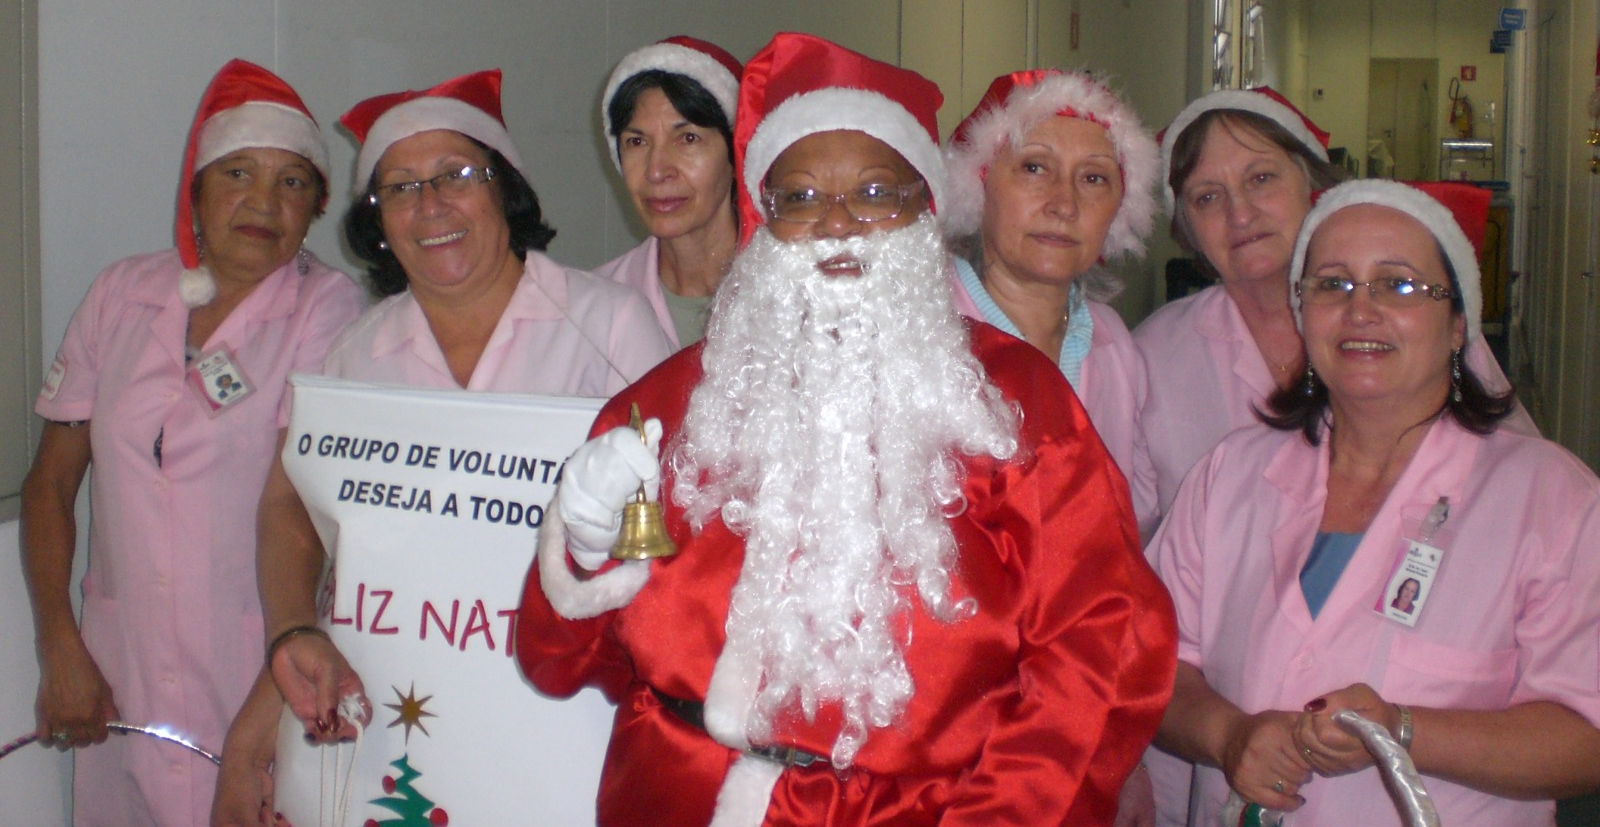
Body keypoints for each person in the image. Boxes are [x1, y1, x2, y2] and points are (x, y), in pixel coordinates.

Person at [516, 32, 1176, 827]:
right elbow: (554, 664)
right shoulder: (668, 403)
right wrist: (586, 550)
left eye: (873, 193)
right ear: (764, 221)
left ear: (921, 213)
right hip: (670, 797)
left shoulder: (1016, 404)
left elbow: (1103, 652)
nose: (836, 224)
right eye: (798, 198)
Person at [213, 68, 673, 826]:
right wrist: (293, 633)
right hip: (396, 712)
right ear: (377, 219)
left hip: (561, 724)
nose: (430, 207)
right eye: (399, 187)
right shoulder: (357, 350)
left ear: (505, 188)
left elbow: (671, 530)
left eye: (456, 175)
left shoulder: (609, 326)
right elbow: (290, 505)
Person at [1148, 179, 1600, 826]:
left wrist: (1402, 731)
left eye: (1400, 285)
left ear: (1457, 324)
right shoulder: (1228, 476)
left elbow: (1587, 736)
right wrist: (1229, 735)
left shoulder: (1553, 500)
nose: (1361, 310)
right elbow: (1154, 665)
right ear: (1303, 317)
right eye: (1331, 284)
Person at [20, 59, 364, 827]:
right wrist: (60, 647)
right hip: (119, 665)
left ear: (315, 207)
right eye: (237, 172)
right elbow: (50, 482)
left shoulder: (329, 310)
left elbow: (297, 502)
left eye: (293, 182)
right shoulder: (121, 294)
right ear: (197, 192)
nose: (264, 203)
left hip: (255, 667)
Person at [1136, 88, 1535, 526]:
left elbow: (1525, 495)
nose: (1241, 215)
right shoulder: (1152, 357)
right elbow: (1128, 535)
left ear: (1312, 183)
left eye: (1261, 179)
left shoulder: (1414, 321)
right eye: (1207, 197)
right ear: (1185, 227)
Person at [942, 69, 1161, 536]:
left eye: (1094, 178)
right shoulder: (921, 329)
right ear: (978, 187)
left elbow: (1130, 522)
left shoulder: (1115, 344)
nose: (1064, 203)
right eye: (1034, 167)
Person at [594, 36, 742, 349]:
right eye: (636, 142)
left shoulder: (799, 296)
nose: (657, 171)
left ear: (736, 154)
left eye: (688, 139)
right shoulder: (594, 306)